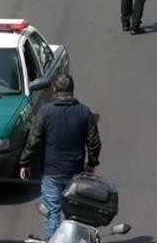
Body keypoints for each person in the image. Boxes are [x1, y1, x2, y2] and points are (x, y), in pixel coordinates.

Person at [19, 74, 101, 242]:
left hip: (51, 172)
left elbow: (34, 139)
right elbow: (94, 142)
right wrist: (92, 163)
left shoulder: (45, 112)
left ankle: (52, 239)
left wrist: (24, 162)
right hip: (75, 173)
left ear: (55, 90)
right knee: (74, 214)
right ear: (72, 90)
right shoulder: (84, 112)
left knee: (52, 211)